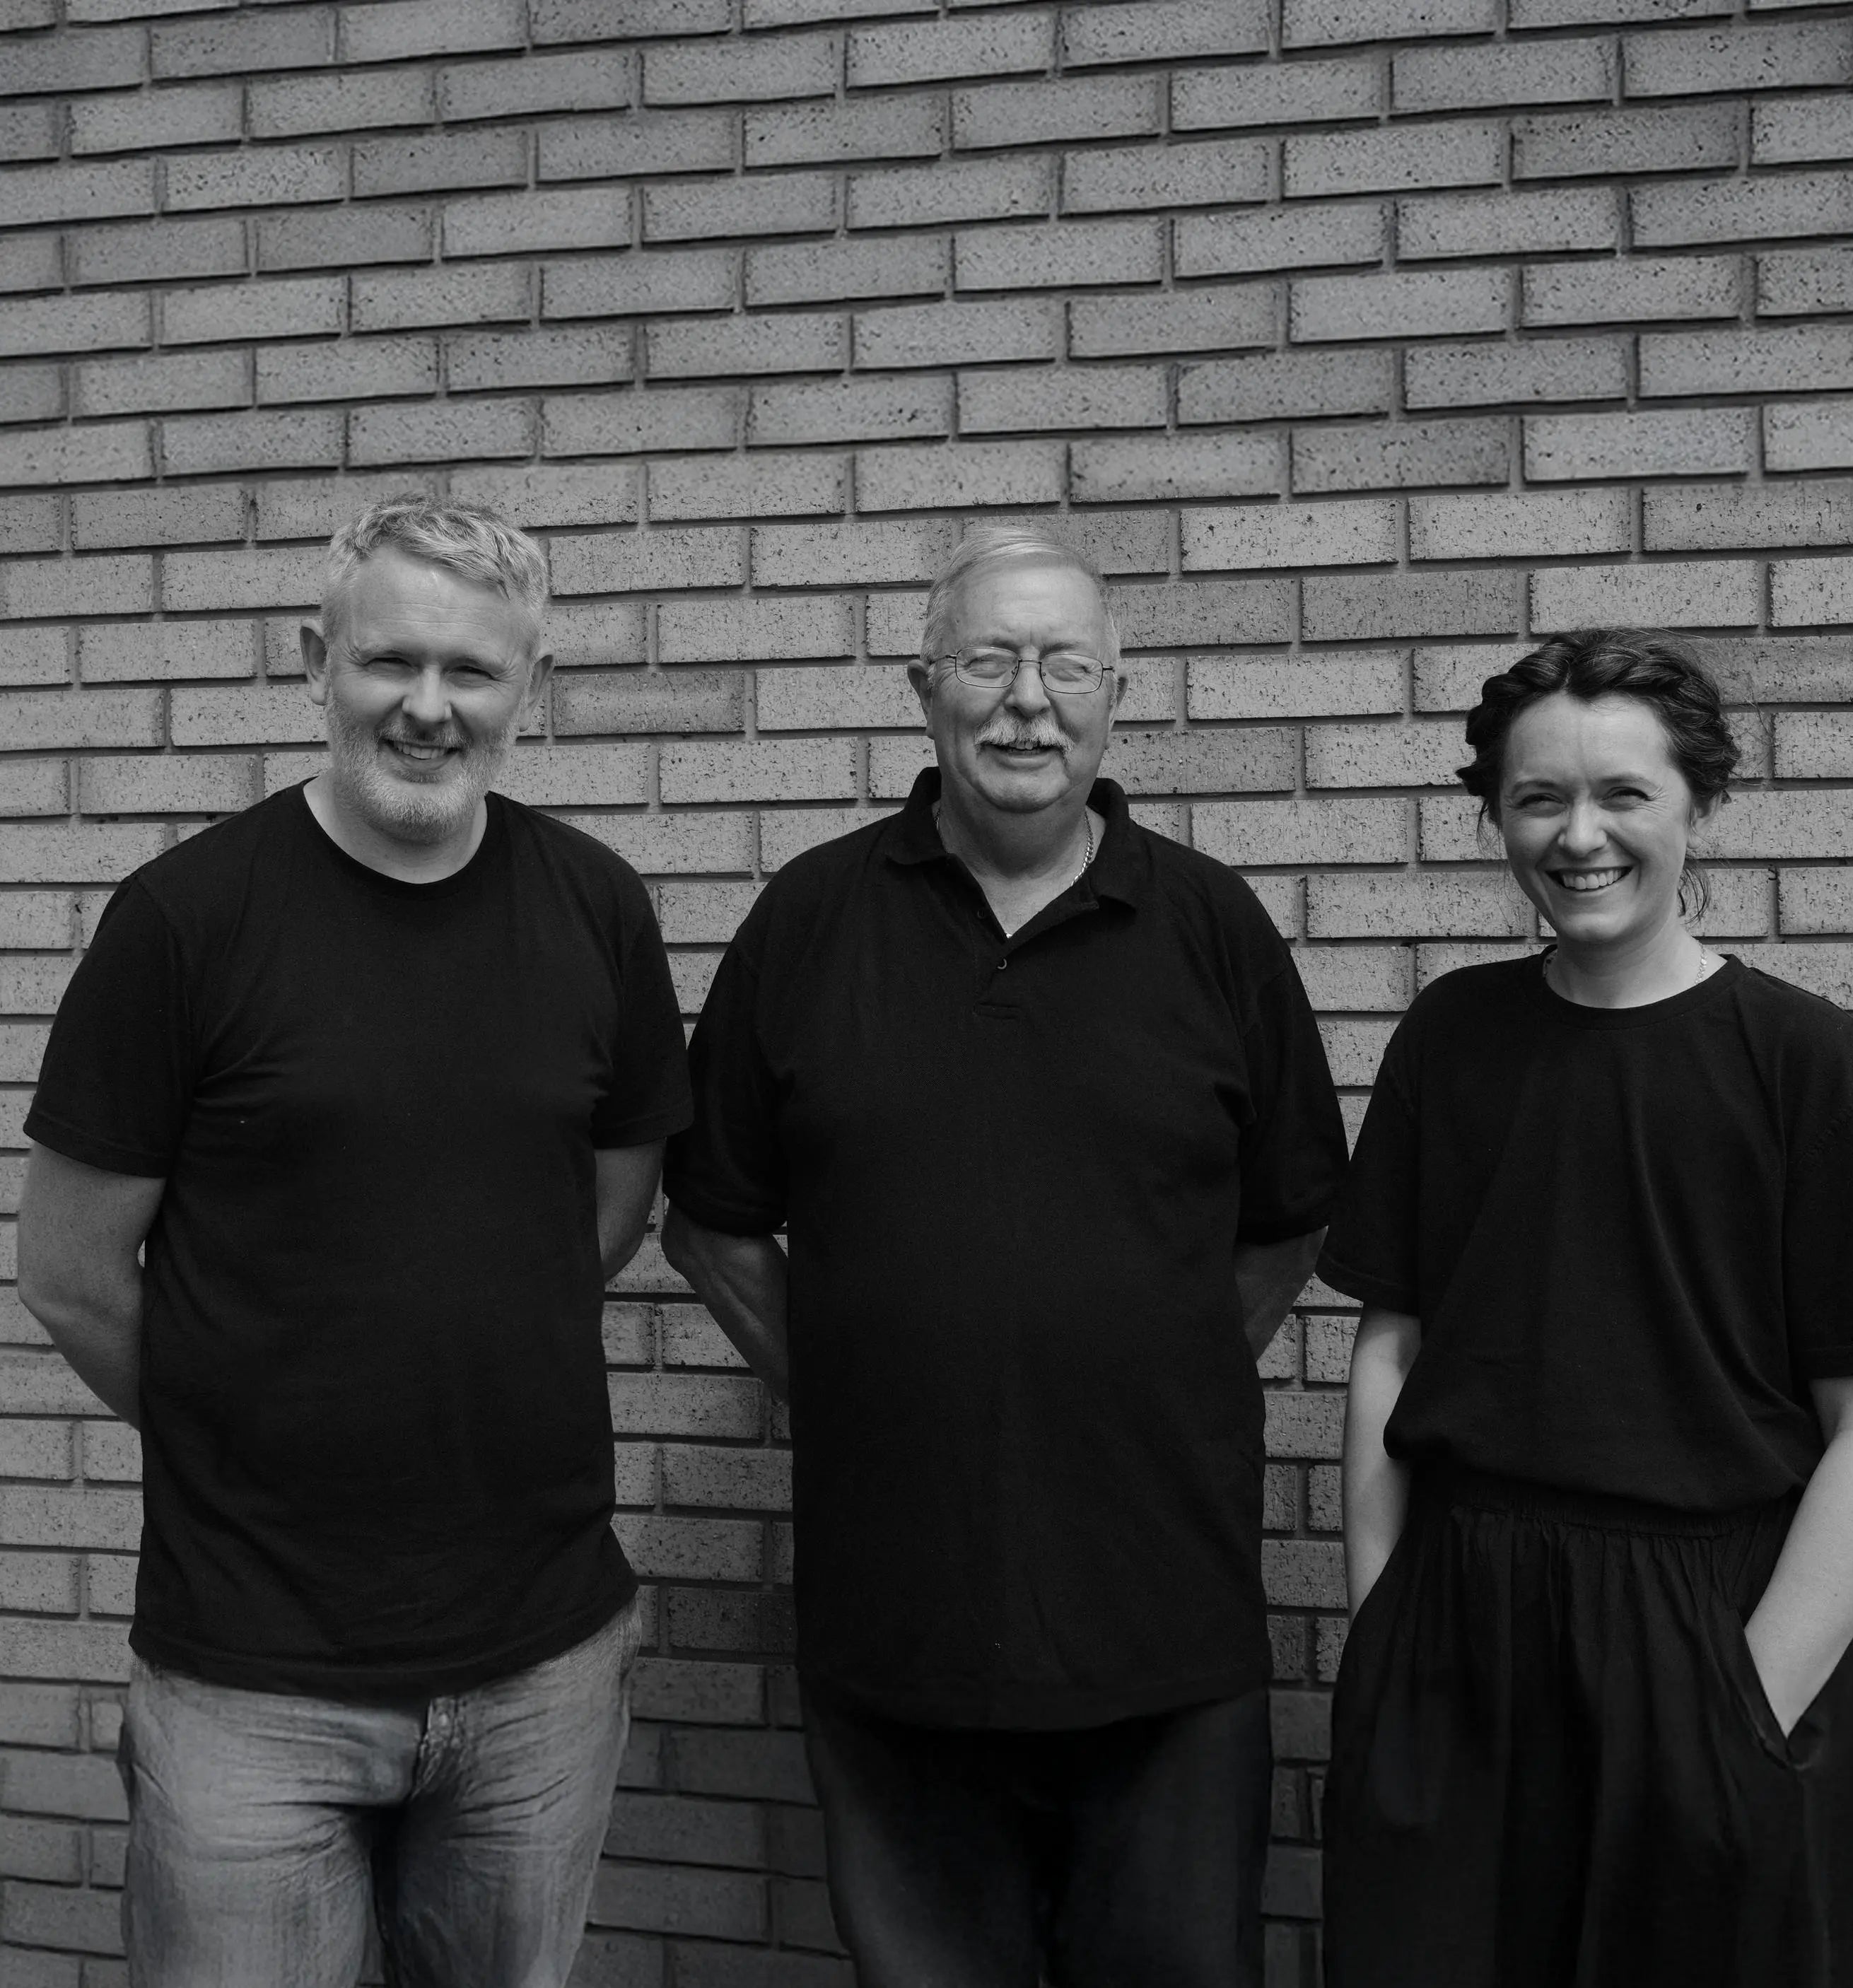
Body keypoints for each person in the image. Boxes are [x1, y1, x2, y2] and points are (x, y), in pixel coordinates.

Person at [16, 496, 690, 1987]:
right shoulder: (183, 921)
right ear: (313, 661)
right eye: (389, 660)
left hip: (540, 1664)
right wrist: (251, 1417)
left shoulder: (594, 908)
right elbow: (67, 1270)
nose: (429, 707)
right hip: (247, 1674)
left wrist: (463, 1340)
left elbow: (613, 1192)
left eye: (474, 671)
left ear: (532, 688)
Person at [661, 522, 1347, 1987]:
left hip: (1163, 1631)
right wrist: (844, 1378)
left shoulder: (1212, 926)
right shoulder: (808, 918)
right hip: (894, 1628)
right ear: (923, 686)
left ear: (1116, 697)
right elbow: (710, 1214)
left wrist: (1148, 1365)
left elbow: (1290, 1217)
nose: (1026, 699)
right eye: (989, 658)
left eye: (1064, 664)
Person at [1318, 626, 1853, 1988]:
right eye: (1538, 798)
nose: (1580, 837)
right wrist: (1385, 1633)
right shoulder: (1450, 1039)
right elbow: (1393, 1349)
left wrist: (1742, 1710)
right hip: (1465, 1633)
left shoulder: (1804, 1061)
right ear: (1496, 815)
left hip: (1725, 1630)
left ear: (1699, 806)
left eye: (1623, 794)